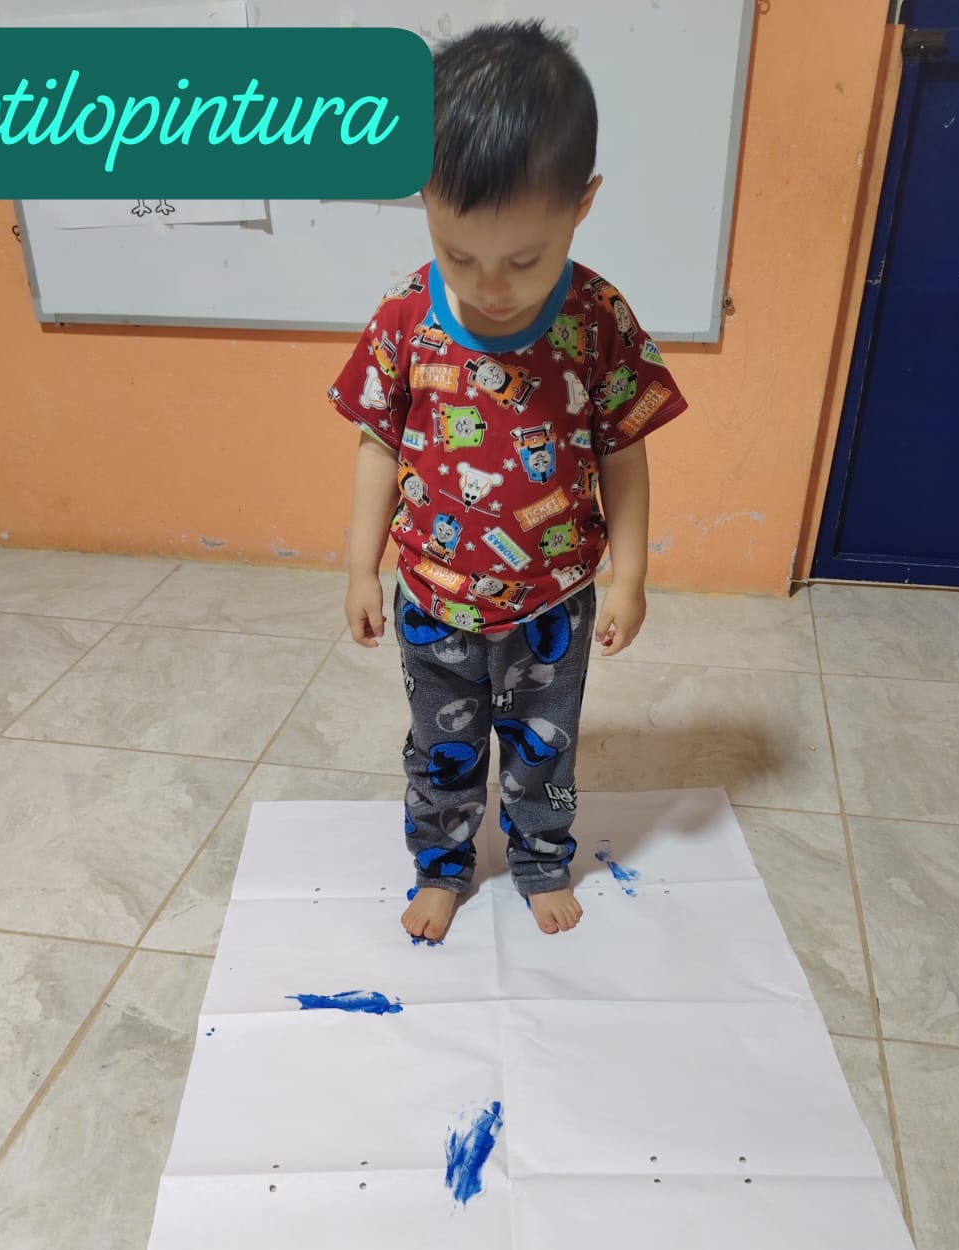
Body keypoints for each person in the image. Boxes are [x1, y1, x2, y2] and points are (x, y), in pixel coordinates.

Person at [327, 20, 687, 945]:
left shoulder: (598, 318)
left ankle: (538, 860)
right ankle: (441, 866)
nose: (491, 287)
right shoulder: (405, 314)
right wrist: (361, 567)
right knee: (440, 747)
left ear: (582, 204)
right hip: (432, 595)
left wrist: (632, 575)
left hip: (552, 601)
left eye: (524, 260)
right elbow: (377, 444)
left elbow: (624, 450)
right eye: (460, 254)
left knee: (542, 748)